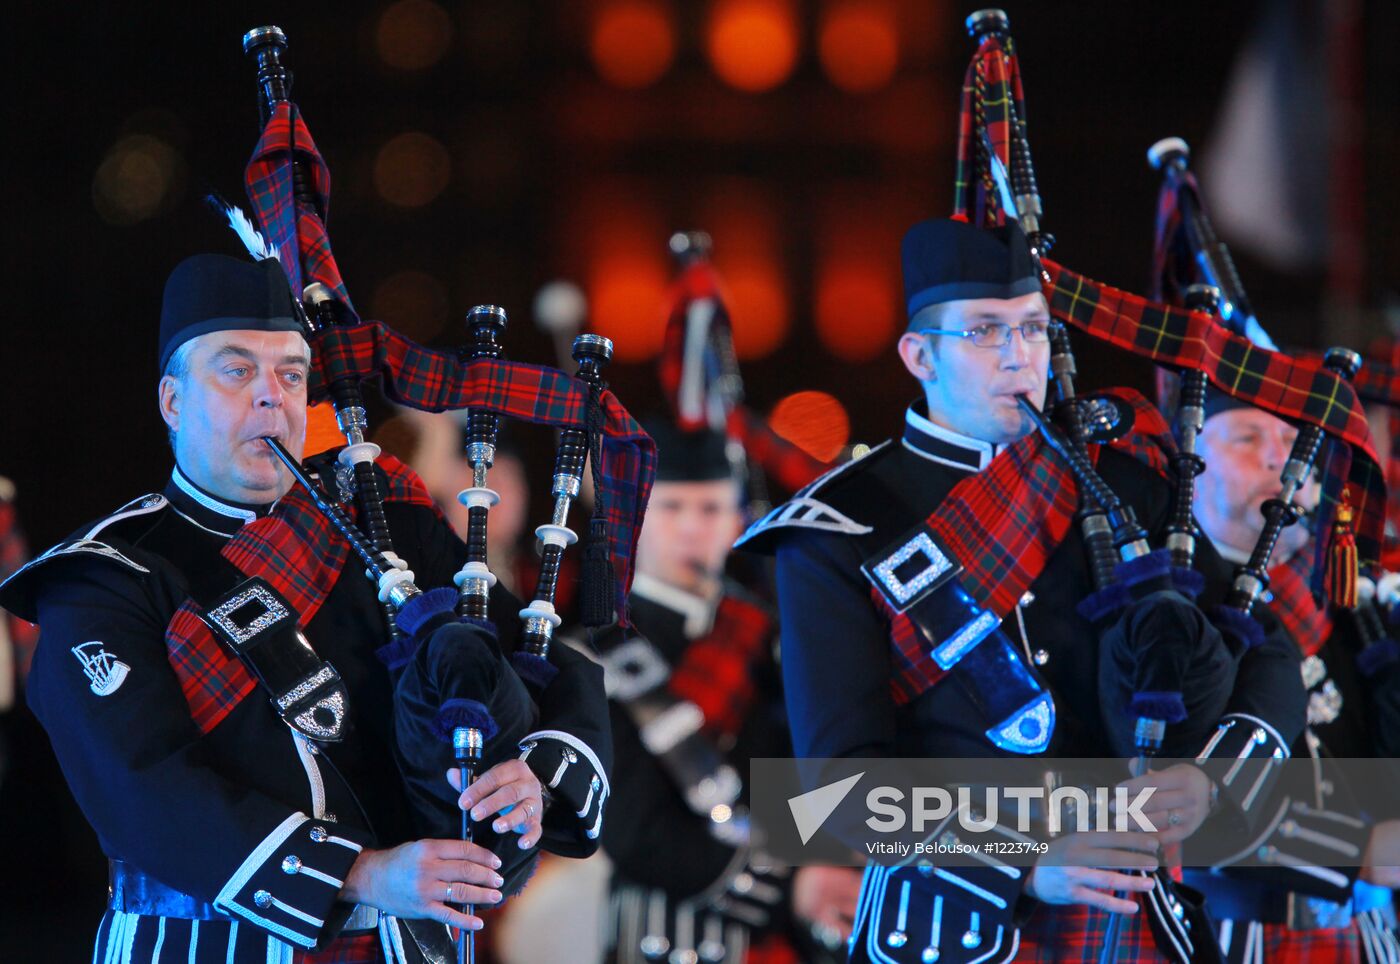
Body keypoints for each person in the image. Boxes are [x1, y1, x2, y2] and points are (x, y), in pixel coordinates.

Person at [0, 254, 612, 963]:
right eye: (236, 370)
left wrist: (532, 773)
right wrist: (364, 873)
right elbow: (146, 792)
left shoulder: (381, 524)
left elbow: (549, 668)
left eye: (291, 373)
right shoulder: (103, 581)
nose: (272, 397)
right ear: (172, 400)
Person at [736, 218, 1308, 963]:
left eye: (1033, 329)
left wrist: (1215, 780)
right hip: (951, 923)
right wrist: (1027, 860)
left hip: (1134, 915)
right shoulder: (838, 529)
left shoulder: (1120, 482)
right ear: (919, 356)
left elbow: (1263, 640)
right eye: (984, 332)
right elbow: (835, 793)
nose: (1019, 356)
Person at [592, 420, 860, 963]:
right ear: (631, 520)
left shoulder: (776, 634)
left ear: (739, 519)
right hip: (663, 937)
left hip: (786, 940)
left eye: (711, 509)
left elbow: (814, 774)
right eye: (670, 508)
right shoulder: (594, 648)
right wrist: (787, 889)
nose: (692, 527)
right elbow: (633, 827)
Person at [1186, 393, 1400, 962]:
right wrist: (1360, 850)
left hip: (1370, 933)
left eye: (1294, 439)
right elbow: (1180, 803)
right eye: (1248, 437)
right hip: (1232, 936)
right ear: (1187, 461)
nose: (1282, 458)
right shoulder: (1171, 611)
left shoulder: (1358, 608)